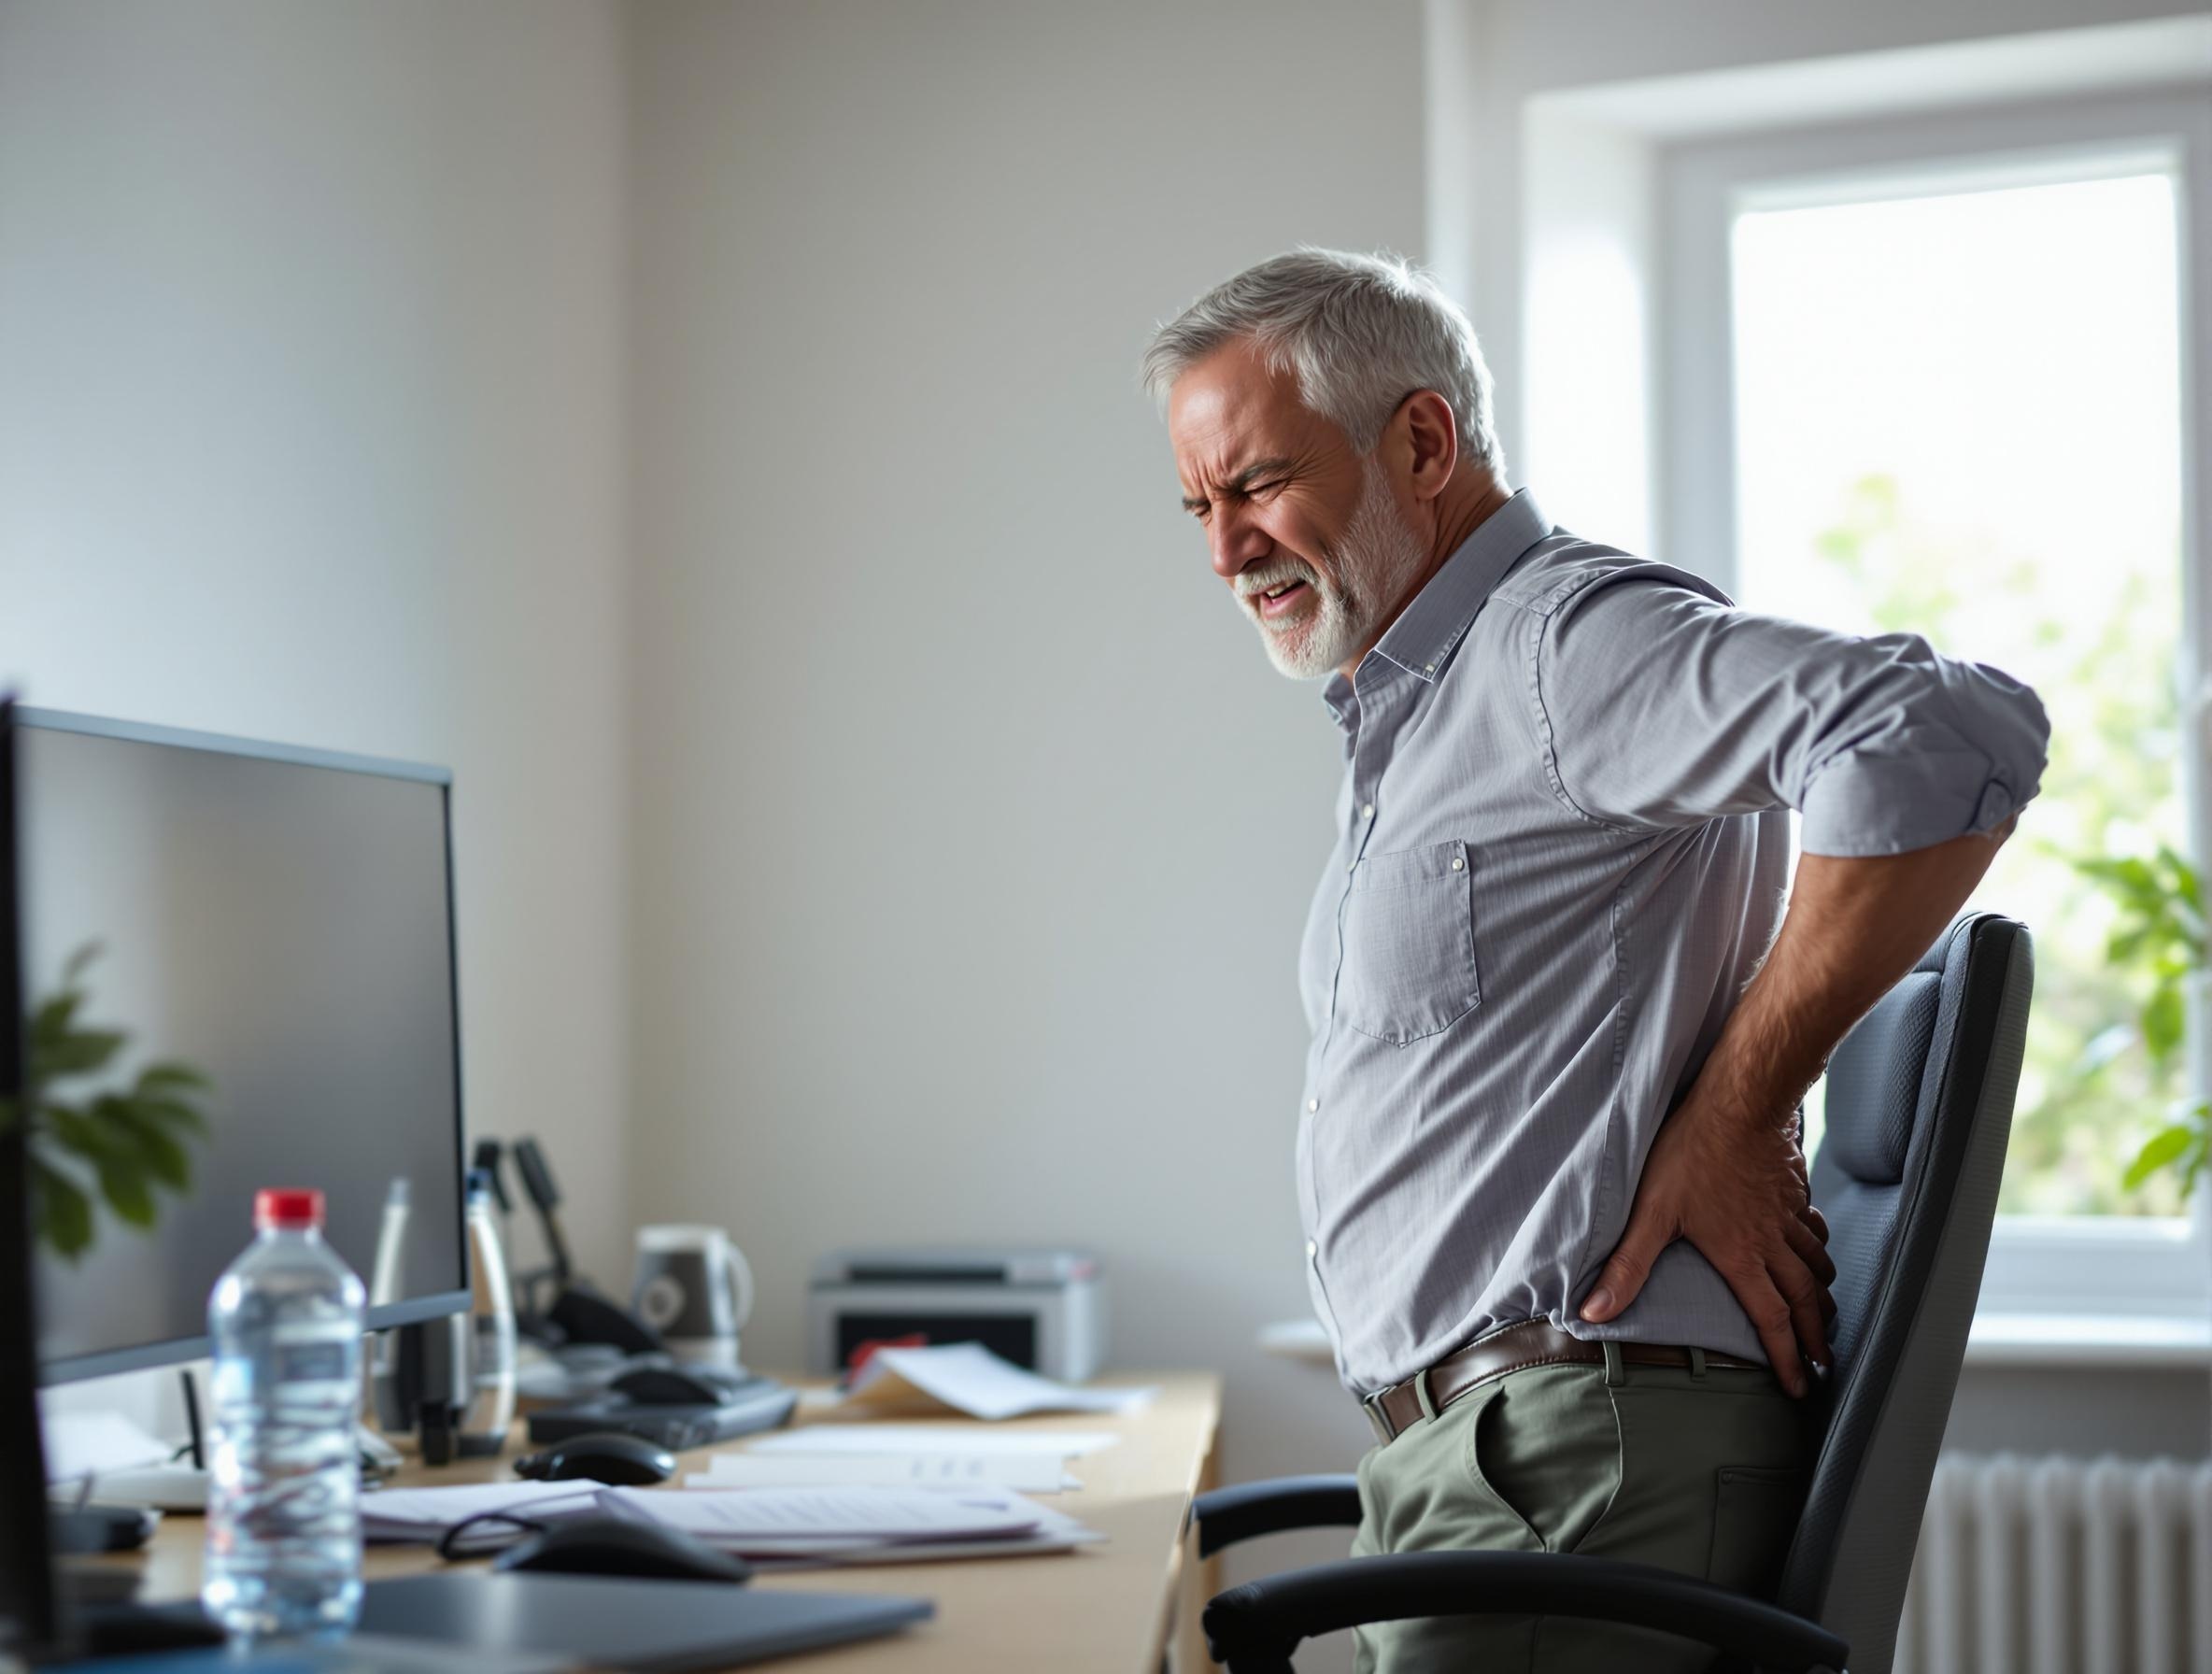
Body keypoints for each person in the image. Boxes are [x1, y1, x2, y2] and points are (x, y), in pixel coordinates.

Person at [1142, 248, 2049, 1673]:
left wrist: (1739, 1105)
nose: (1222, 548)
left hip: (1569, 1470)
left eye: (1256, 485)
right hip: (1491, 1471)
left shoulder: (1557, 648)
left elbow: (1947, 731)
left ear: (1423, 442)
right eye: (1198, 504)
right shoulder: (1418, 707)